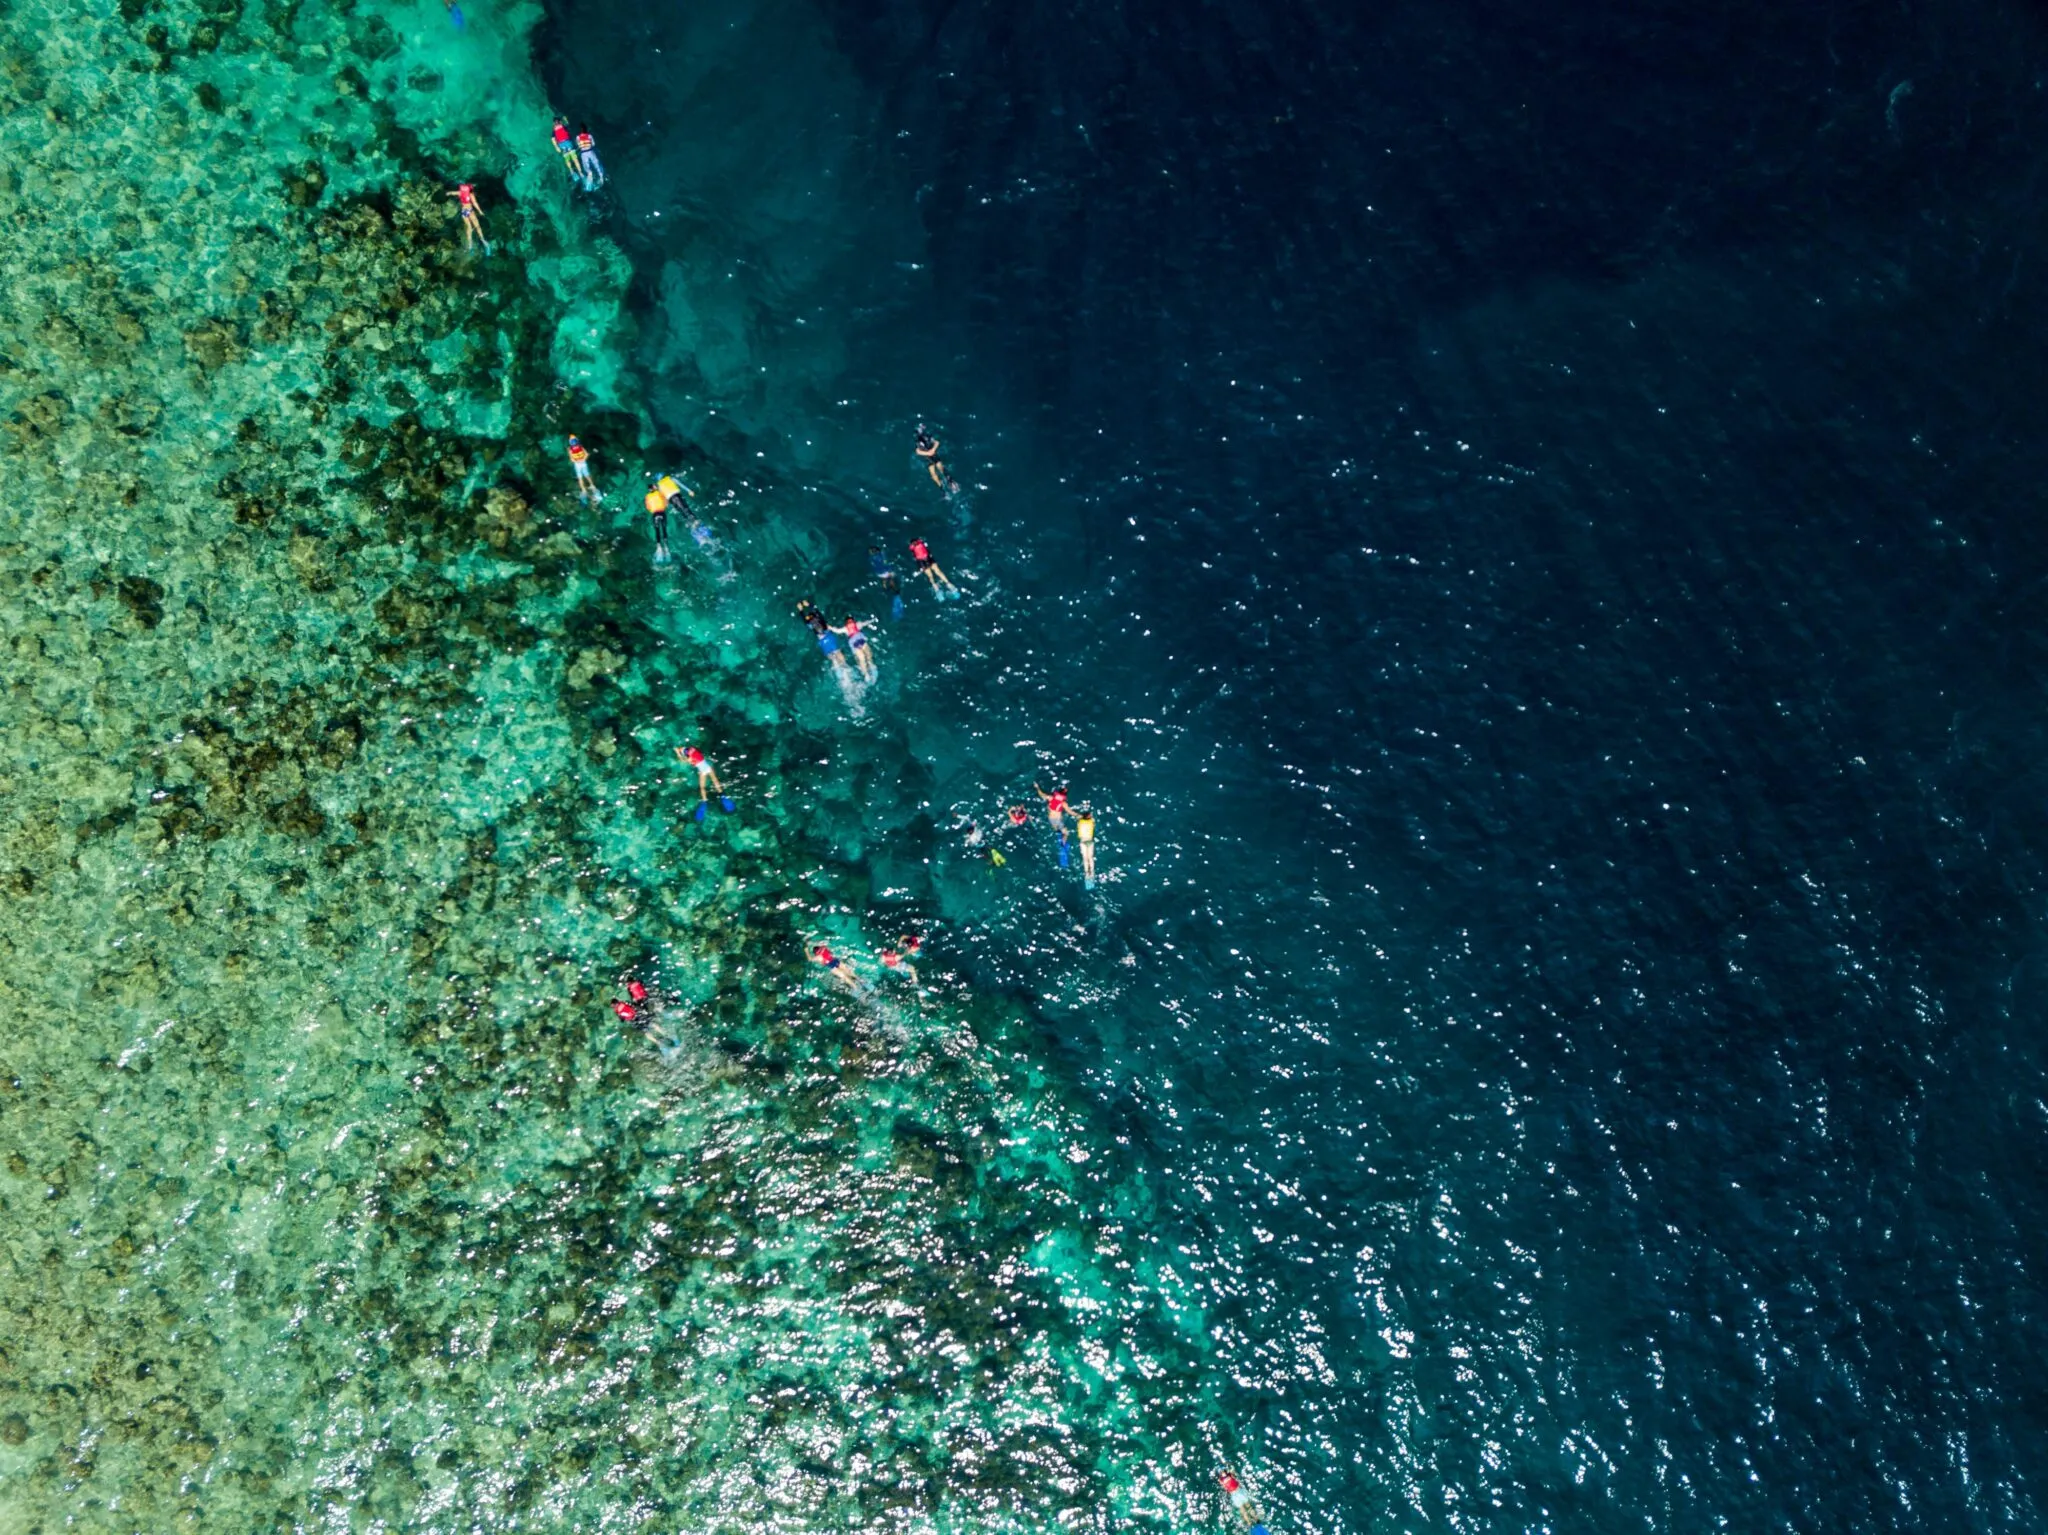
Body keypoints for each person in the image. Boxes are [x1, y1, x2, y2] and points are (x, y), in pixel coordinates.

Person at [675, 745, 736, 819]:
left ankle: (705, 801)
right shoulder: (692, 749)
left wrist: (678, 754)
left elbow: (684, 761)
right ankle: (722, 795)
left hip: (702, 771)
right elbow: (694, 752)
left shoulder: (689, 758)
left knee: (702, 787)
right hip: (708, 766)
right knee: (715, 780)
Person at [798, 599, 852, 676]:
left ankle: (839, 671)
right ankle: (844, 666)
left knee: (832, 657)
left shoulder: (810, 625)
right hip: (829, 636)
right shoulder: (820, 619)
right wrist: (808, 605)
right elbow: (816, 610)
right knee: (837, 652)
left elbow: (805, 619)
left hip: (822, 641)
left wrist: (801, 610)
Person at [830, 615, 877, 682]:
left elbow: (837, 631)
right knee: (865, 656)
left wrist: (830, 627)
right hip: (859, 642)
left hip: (857, 643)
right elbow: (865, 623)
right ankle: (868, 670)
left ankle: (868, 670)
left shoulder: (851, 627)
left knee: (864, 657)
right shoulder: (854, 626)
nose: (850, 623)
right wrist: (872, 620)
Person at [450, 182, 491, 254]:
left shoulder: (460, 193)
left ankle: (470, 246)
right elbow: (475, 203)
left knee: (469, 227)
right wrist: (480, 211)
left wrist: (447, 193)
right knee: (477, 227)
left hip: (464, 211)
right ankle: (484, 242)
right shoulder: (471, 195)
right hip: (470, 211)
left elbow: (452, 193)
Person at [869, 546, 905, 619]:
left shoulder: (871, 558)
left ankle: (886, 589)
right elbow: (885, 561)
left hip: (880, 573)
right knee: (890, 579)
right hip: (886, 571)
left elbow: (873, 564)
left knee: (885, 580)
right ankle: (895, 591)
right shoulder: (881, 554)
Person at [643, 484, 672, 564]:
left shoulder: (647, 496)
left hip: (655, 514)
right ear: (654, 488)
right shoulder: (660, 493)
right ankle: (666, 544)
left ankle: (658, 545)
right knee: (664, 529)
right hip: (662, 512)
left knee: (657, 530)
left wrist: (652, 510)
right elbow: (666, 502)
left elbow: (648, 507)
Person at [566, 435, 599, 503]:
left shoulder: (570, 449)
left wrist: (577, 461)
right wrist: (583, 459)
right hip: (583, 462)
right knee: (587, 475)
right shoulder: (580, 447)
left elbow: (572, 459)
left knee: (580, 477)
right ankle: (592, 486)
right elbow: (586, 454)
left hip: (578, 464)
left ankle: (584, 489)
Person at [575, 125, 605, 191]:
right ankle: (601, 178)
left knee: (588, 170)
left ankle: (588, 186)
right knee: (597, 164)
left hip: (583, 153)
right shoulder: (589, 136)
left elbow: (578, 145)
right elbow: (593, 144)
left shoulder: (578, 137)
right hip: (590, 152)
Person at [1074, 804, 1098, 888]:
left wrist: (1081, 815)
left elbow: (1078, 817)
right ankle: (1092, 872)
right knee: (1090, 857)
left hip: (1083, 842)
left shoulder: (1080, 822)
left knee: (1085, 858)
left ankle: (1087, 873)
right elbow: (1092, 819)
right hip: (1089, 841)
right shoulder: (1092, 821)